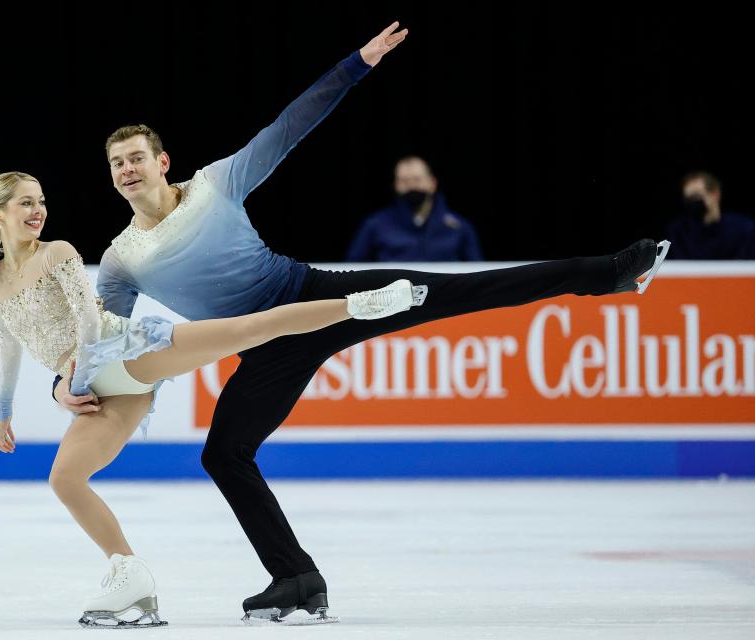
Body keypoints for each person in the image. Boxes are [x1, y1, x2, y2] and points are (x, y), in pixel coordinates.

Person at [51, 21, 670, 624]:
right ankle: (295, 578)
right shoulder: (121, 260)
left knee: (458, 292)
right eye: (115, 164)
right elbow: (103, 337)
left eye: (136, 158)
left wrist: (356, 65)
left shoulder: (217, 182)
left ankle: (609, 272)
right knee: (225, 453)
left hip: (315, 295)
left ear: (163, 161)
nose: (126, 170)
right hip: (269, 348)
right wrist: (66, 380)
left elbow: (290, 124)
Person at [0, 171, 423, 628]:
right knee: (65, 478)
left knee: (244, 330)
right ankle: (130, 579)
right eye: (26, 203)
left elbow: (91, 323)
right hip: (101, 390)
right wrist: (4, 410)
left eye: (41, 201)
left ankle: (358, 305)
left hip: (124, 352)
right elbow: (9, 343)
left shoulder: (58, 252)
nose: (38, 210)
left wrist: (74, 386)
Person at [346, 155, 483, 261]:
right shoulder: (375, 225)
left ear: (432, 183)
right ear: (395, 185)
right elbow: (353, 267)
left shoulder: (458, 227)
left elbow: (477, 272)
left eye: (417, 179)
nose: (411, 186)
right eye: (404, 181)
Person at [666, 171, 755, 259]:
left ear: (715, 194)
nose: (692, 202)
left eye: (696, 196)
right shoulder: (679, 234)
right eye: (688, 199)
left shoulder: (743, 229)